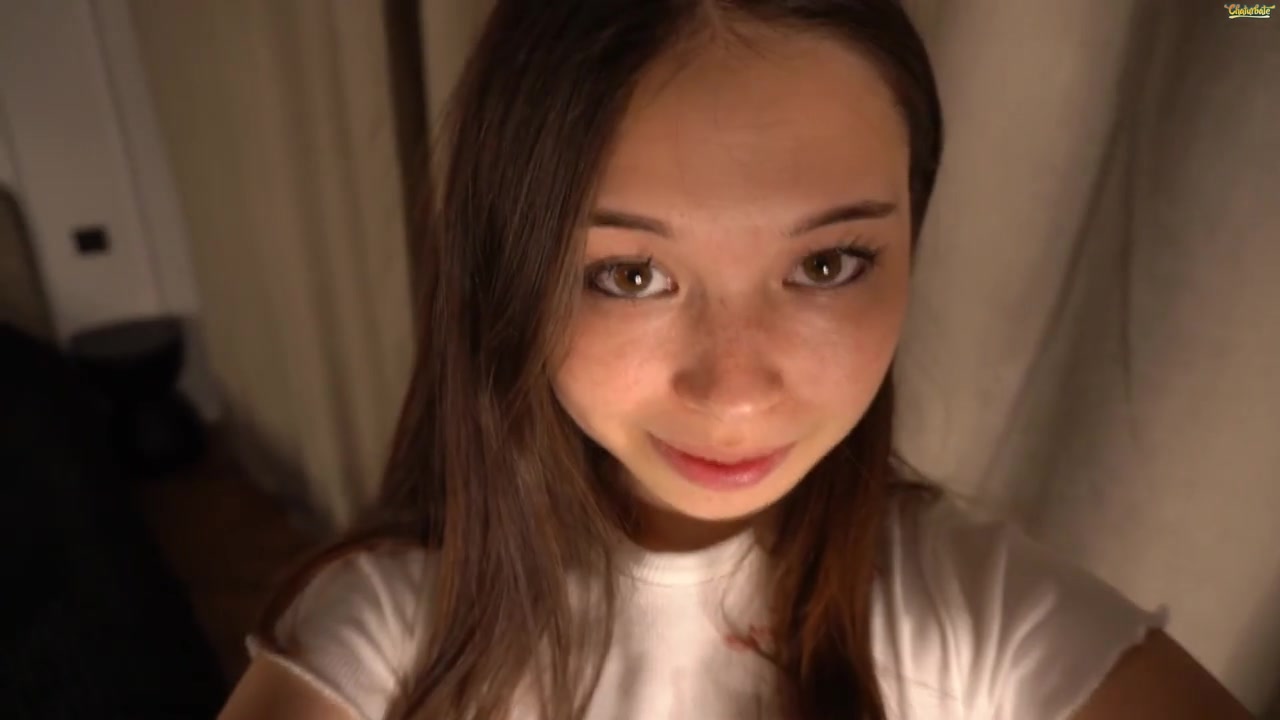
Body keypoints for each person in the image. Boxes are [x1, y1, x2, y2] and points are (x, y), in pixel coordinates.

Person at [219, 1, 1254, 718]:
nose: (736, 390)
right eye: (631, 275)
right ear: (509, 272)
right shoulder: (391, 633)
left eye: (827, 264)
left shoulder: (982, 618)